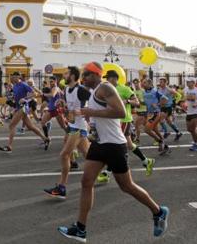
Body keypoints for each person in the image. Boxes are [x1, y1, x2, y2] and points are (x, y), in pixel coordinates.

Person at [58, 62, 169, 242]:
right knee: (86, 182)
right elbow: (98, 113)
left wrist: (91, 111)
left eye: (86, 74)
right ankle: (80, 229)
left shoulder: (105, 88)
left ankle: (158, 212)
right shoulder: (94, 93)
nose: (83, 77)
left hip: (114, 145)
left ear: (95, 74)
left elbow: (118, 111)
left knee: (127, 186)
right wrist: (87, 116)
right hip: (99, 143)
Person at [98, 70, 155, 184]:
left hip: (124, 120)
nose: (106, 80)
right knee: (129, 145)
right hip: (113, 121)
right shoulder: (107, 90)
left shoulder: (124, 89)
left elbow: (137, 102)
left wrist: (127, 101)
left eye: (108, 78)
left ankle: (107, 173)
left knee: (116, 145)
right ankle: (146, 161)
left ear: (114, 78)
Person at [44, 66, 91, 199]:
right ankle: (105, 170)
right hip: (72, 125)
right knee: (88, 155)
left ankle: (62, 187)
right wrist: (62, 105)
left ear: (73, 76)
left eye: (66, 73)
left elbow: (93, 103)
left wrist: (82, 111)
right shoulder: (66, 89)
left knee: (64, 155)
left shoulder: (81, 90)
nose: (64, 75)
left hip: (80, 127)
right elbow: (68, 108)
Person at [0, 72, 50, 153]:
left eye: (13, 77)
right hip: (19, 108)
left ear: (18, 77)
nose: (12, 78)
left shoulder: (24, 85)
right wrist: (14, 104)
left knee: (11, 125)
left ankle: (9, 147)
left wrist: (25, 98)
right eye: (11, 77)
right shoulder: (14, 86)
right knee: (31, 127)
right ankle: (45, 139)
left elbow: (35, 93)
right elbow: (16, 98)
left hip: (23, 107)